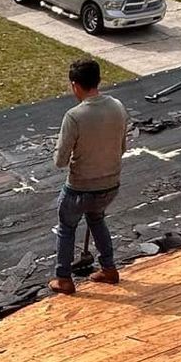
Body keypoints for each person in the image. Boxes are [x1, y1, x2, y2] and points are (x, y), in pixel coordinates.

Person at [50, 57, 127, 295]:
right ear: (98, 80)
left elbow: (60, 161)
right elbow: (122, 147)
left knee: (66, 228)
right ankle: (109, 268)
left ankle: (64, 278)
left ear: (75, 85)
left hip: (80, 188)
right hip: (110, 185)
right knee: (97, 220)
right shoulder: (117, 106)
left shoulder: (74, 116)